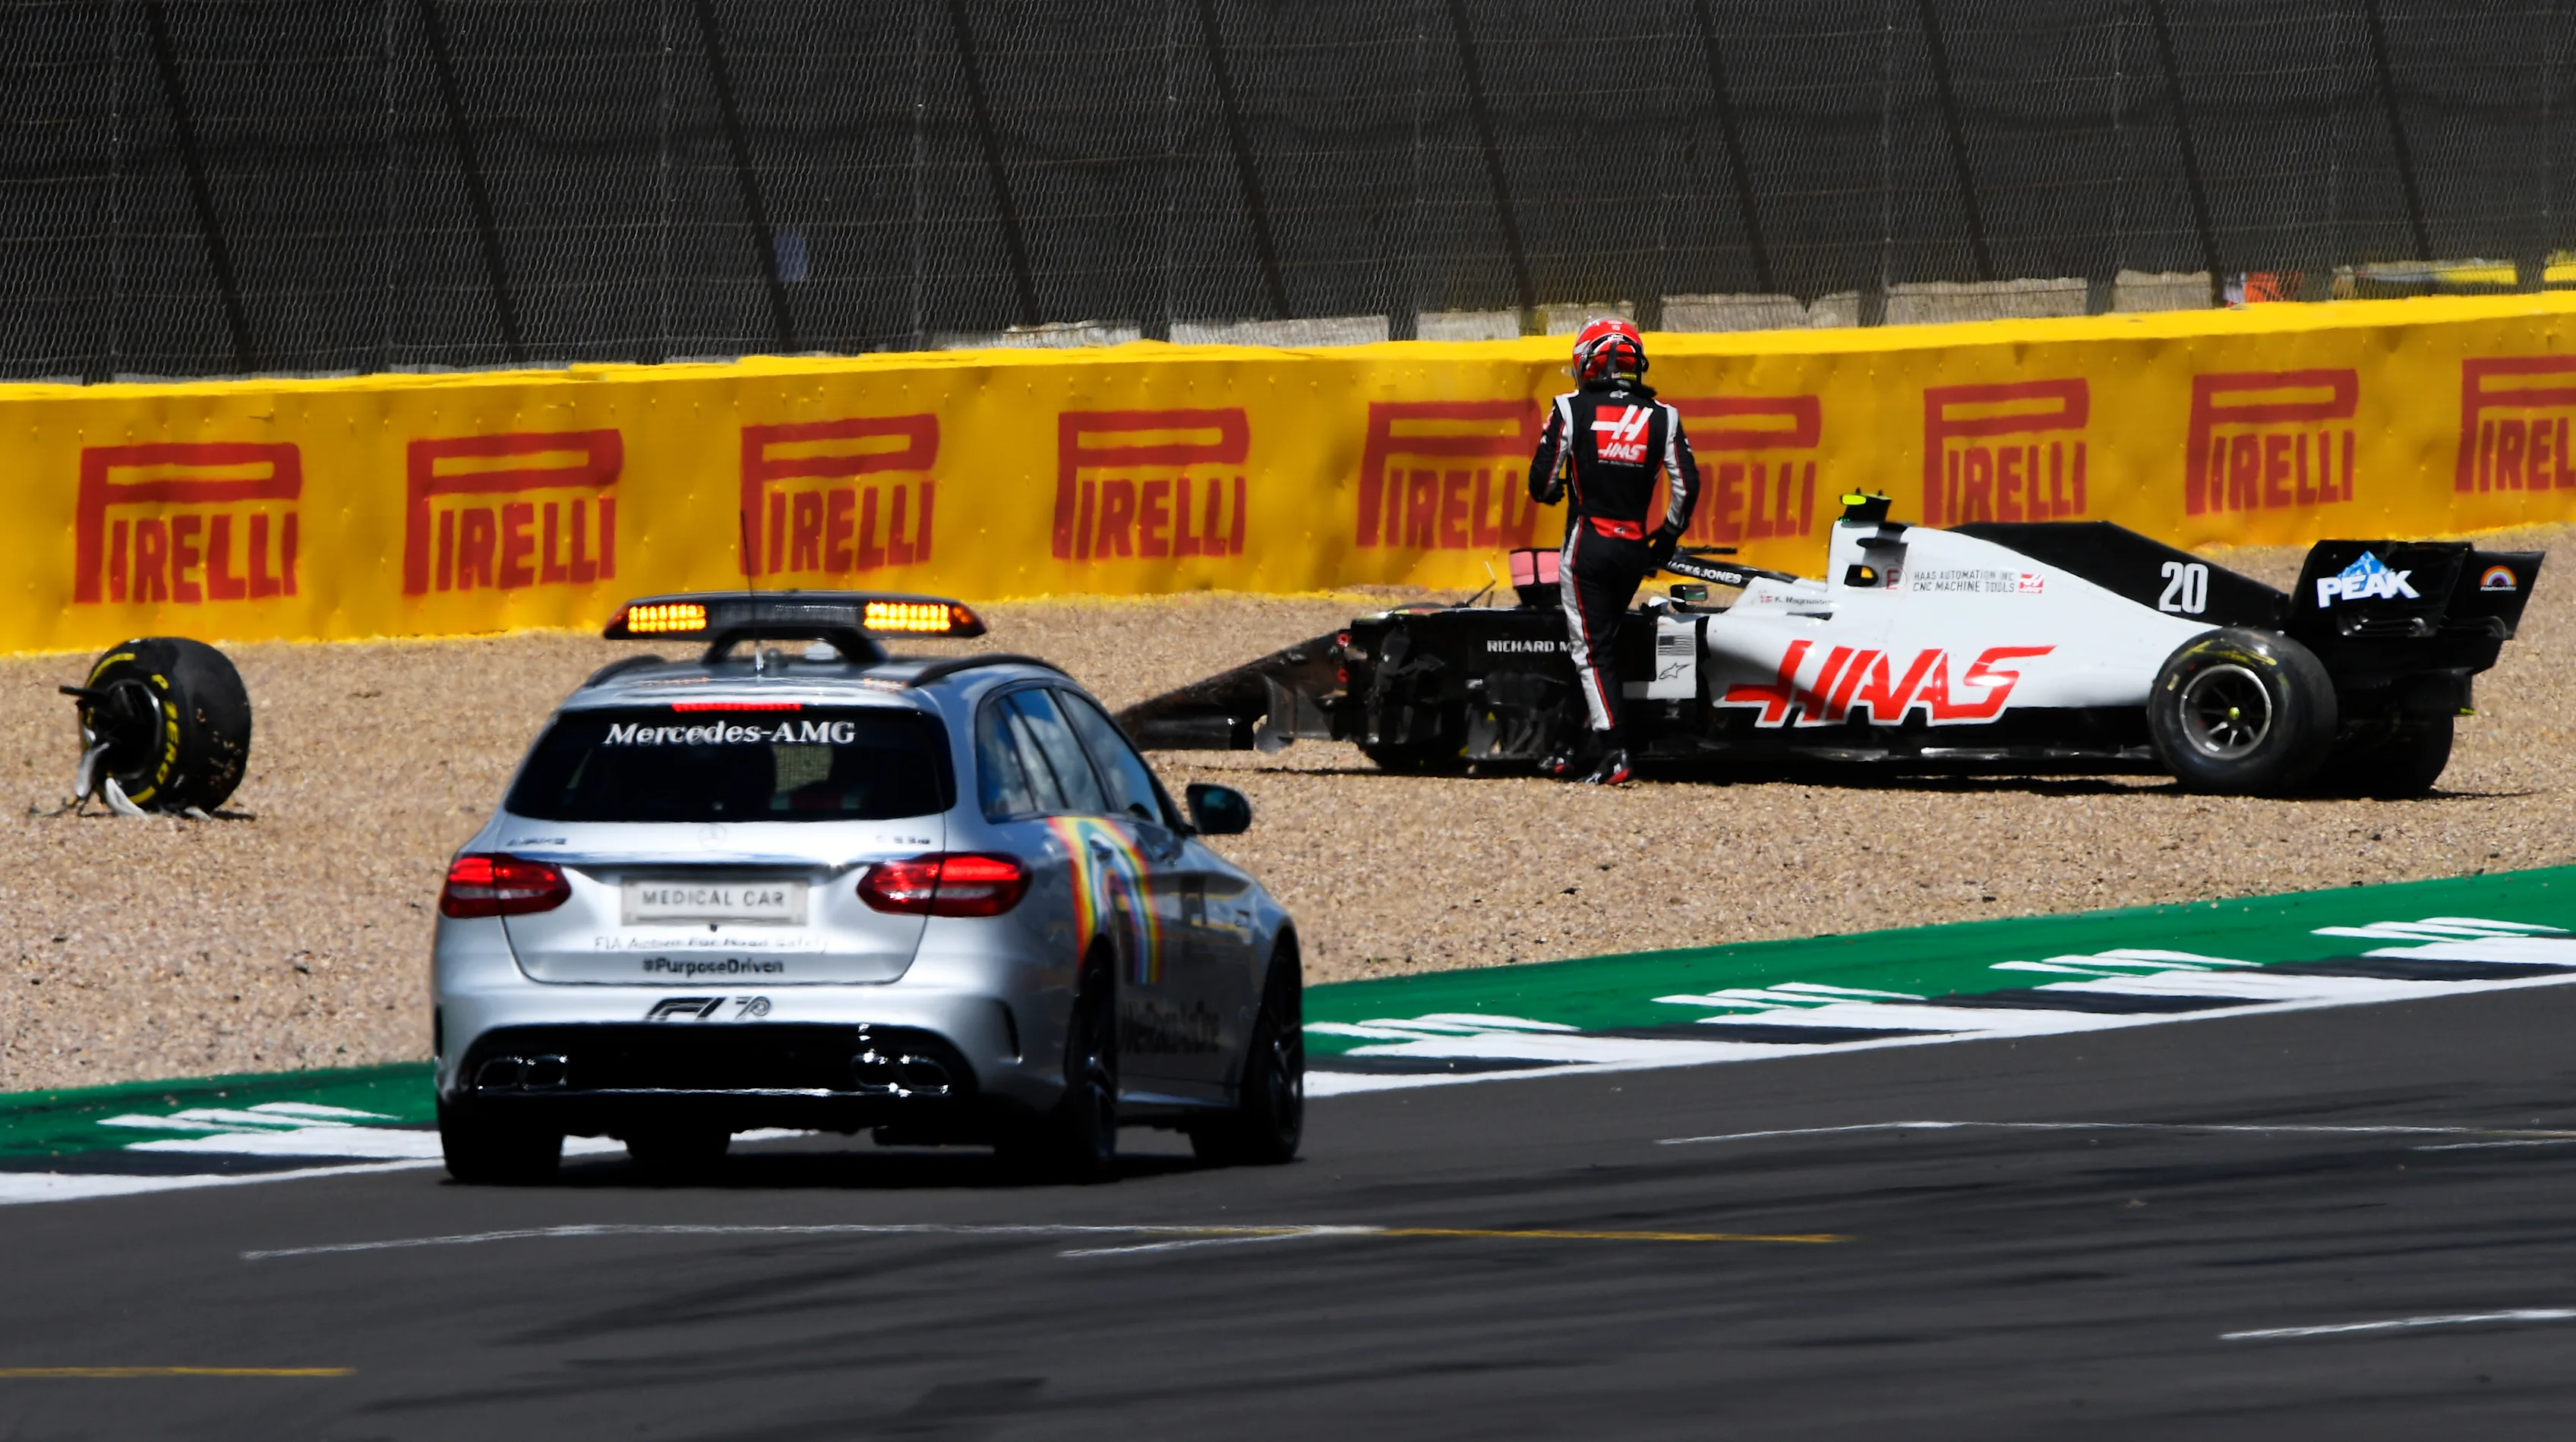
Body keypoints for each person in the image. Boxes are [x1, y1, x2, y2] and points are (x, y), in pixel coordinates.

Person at [1525, 317, 1700, 785]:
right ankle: (1564, 748)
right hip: (1632, 549)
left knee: (1589, 651)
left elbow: (1539, 483)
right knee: (1596, 645)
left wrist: (1556, 491)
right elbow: (1687, 486)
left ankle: (1615, 752)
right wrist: (1664, 539)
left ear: (1585, 364)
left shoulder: (1570, 407)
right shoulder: (1664, 416)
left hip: (1586, 548)